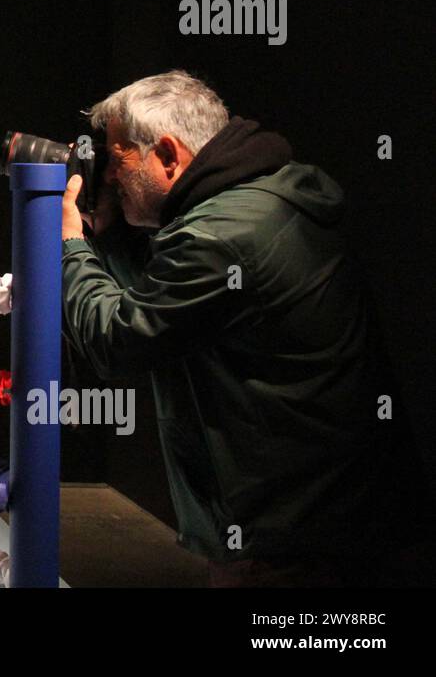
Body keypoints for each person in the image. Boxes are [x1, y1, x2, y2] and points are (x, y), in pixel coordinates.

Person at [59, 70, 426, 587]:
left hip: (287, 544)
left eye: (117, 158)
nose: (111, 179)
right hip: (336, 519)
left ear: (167, 154)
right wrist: (112, 236)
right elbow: (167, 307)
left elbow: (118, 342)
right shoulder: (267, 197)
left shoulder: (218, 237)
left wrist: (68, 245)